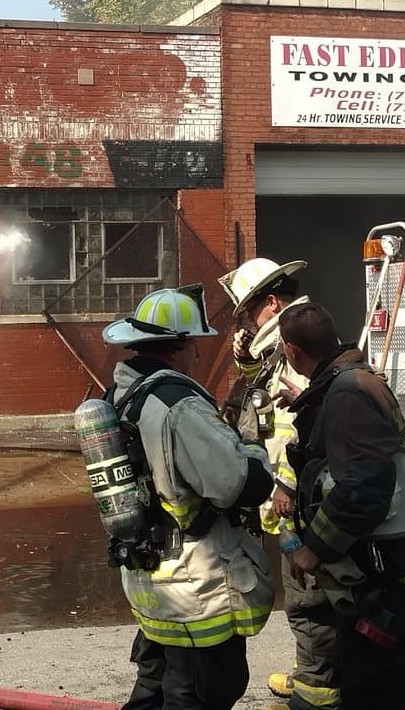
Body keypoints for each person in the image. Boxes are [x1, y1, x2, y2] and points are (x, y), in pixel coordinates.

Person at [101, 284, 276, 710]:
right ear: (177, 347)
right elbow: (235, 483)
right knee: (198, 695)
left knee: (154, 690)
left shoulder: (121, 395)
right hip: (196, 586)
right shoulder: (178, 405)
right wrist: (253, 449)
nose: (198, 354)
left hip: (152, 577)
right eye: (195, 345)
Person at [279, 302, 405, 710]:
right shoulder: (349, 383)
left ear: (292, 351)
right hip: (381, 573)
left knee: (377, 691)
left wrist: (316, 549)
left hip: (380, 580)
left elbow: (364, 488)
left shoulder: (347, 395)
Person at [219, 258, 339, 710]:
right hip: (297, 497)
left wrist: (283, 490)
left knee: (308, 599)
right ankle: (316, 671)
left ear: (271, 303)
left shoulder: (294, 349)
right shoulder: (288, 344)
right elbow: (264, 399)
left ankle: (316, 691)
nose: (248, 322)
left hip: (298, 502)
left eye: (250, 312)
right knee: (310, 593)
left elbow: (298, 430)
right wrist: (247, 361)